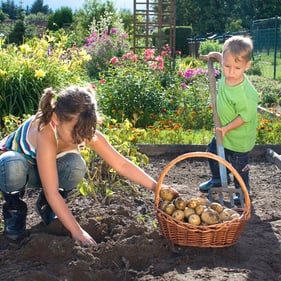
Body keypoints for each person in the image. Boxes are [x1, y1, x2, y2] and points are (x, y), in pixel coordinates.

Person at [0, 85, 178, 245]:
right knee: (12, 163)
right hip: (12, 172)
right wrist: (77, 232)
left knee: (75, 164)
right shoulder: (46, 131)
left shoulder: (84, 132)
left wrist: (157, 187)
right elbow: (51, 190)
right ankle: (14, 212)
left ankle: (48, 208)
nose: (81, 138)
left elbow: (121, 164)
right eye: (76, 132)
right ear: (55, 118)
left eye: (86, 132)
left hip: (43, 171)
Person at [199, 36, 259, 204]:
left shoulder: (246, 93)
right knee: (212, 153)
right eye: (227, 66)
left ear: (247, 66)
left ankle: (243, 189)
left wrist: (226, 129)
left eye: (237, 68)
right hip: (223, 133)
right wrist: (215, 55)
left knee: (239, 168)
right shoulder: (228, 71)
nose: (231, 72)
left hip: (239, 139)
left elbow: (244, 118)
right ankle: (217, 178)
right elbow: (222, 58)